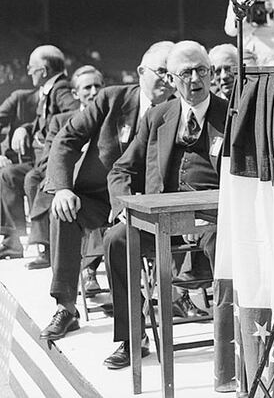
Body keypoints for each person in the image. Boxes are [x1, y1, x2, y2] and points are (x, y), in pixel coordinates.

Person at [38, 42, 174, 342]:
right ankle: (66, 307)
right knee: (63, 212)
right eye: (162, 72)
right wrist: (61, 188)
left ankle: (144, 318)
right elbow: (66, 139)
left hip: (147, 203)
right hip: (98, 197)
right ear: (141, 71)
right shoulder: (111, 99)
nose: (168, 80)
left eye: (173, 74)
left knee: (121, 238)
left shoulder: (176, 108)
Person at [103, 41, 227, 369]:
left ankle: (231, 337)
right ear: (171, 80)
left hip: (214, 217)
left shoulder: (231, 115)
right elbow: (122, 168)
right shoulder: (158, 116)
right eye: (186, 73)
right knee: (117, 239)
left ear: (211, 73)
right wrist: (123, 207)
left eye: (203, 70)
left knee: (224, 242)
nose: (196, 78)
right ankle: (132, 337)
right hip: (163, 218)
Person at [0, 45, 78, 259]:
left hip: (55, 161)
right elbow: (40, 122)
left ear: (43, 70)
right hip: (40, 159)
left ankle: (47, 246)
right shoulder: (48, 91)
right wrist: (25, 129)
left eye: (31, 68)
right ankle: (12, 240)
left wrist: (52, 132)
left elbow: (74, 114)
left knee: (33, 179)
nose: (28, 72)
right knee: (8, 175)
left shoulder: (61, 88)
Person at [25, 65, 105, 270]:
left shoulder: (109, 120)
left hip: (98, 182)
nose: (94, 92)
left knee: (86, 198)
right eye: (87, 88)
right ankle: (48, 248)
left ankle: (89, 270)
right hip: (66, 179)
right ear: (75, 93)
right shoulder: (60, 121)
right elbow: (50, 157)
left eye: (98, 86)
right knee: (44, 184)